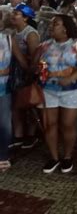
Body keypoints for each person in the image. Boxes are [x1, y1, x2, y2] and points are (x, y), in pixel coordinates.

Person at [35, 15, 77, 173]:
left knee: (68, 125)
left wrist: (71, 77)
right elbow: (36, 65)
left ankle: (67, 156)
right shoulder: (44, 45)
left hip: (71, 90)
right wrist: (39, 68)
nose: (51, 27)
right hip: (48, 90)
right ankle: (53, 157)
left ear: (65, 28)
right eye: (51, 24)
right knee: (49, 124)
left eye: (55, 24)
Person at [10, 4, 40, 149]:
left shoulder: (30, 33)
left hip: (26, 72)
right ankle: (19, 135)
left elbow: (35, 58)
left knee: (28, 103)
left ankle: (32, 134)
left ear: (26, 18)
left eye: (16, 14)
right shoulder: (14, 32)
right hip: (15, 72)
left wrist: (29, 71)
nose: (12, 16)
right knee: (16, 104)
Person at [0, 31, 29, 170]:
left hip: (4, 89)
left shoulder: (7, 39)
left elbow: (21, 62)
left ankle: (3, 156)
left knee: (4, 124)